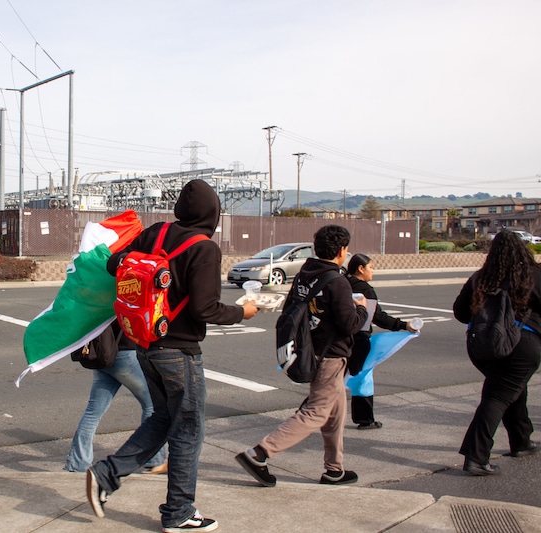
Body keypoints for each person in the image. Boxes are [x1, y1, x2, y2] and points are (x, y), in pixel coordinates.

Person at [86, 179, 258, 533]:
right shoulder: (204, 248)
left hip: (144, 343)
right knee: (188, 429)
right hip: (179, 351)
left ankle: (107, 474)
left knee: (163, 419)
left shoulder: (155, 232)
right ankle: (179, 511)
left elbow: (114, 263)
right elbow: (205, 309)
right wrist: (244, 312)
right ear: (213, 213)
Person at [236, 224, 367, 488]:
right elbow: (349, 324)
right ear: (342, 251)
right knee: (318, 412)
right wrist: (362, 309)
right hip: (331, 356)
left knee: (335, 413)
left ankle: (334, 469)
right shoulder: (338, 282)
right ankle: (259, 454)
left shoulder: (306, 274)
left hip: (310, 349)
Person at [453, 230, 541, 476]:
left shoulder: (480, 278)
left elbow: (460, 313)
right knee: (498, 397)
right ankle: (476, 456)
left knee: (511, 389)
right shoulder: (531, 276)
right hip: (522, 345)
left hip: (483, 347)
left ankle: (521, 440)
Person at [65, 321, 167, 474]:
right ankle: (155, 460)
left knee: (93, 412)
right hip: (125, 354)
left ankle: (78, 463)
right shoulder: (125, 296)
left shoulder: (98, 296)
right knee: (153, 406)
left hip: (104, 354)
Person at [346, 253, 418, 430]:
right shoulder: (365, 290)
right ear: (361, 269)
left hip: (339, 339)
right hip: (359, 340)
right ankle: (364, 419)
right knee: (359, 378)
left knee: (336, 378)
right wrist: (404, 325)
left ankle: (364, 418)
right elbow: (377, 317)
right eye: (371, 267)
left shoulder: (341, 284)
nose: (373, 271)